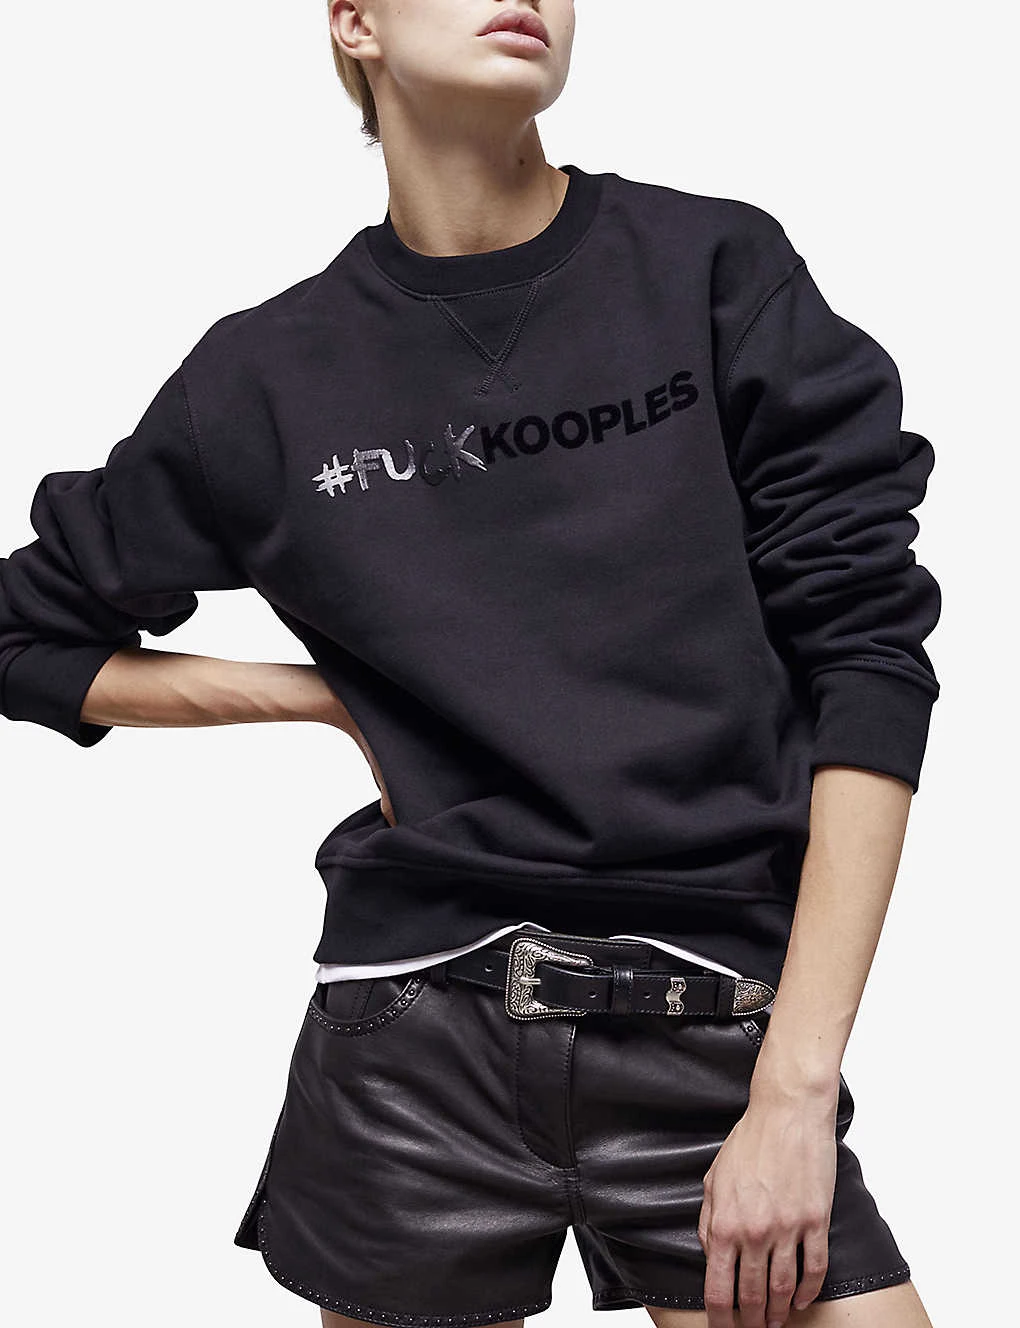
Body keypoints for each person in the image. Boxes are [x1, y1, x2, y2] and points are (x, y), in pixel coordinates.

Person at [0, 3, 941, 1327]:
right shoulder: (262, 379)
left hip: (711, 1021)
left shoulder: (708, 272)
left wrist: (793, 1088)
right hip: (411, 1055)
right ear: (356, 22)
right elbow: (22, 635)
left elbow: (870, 663)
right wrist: (326, 700)